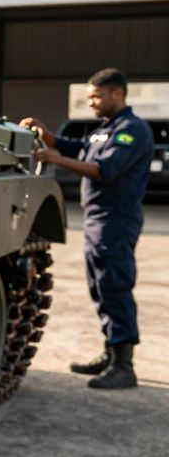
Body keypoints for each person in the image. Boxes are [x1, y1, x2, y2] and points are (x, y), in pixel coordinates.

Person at [22, 69, 150, 390]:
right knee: (101, 288)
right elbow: (77, 147)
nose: (91, 102)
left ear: (117, 94)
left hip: (116, 221)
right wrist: (47, 135)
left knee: (115, 286)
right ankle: (110, 353)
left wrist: (55, 159)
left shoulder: (131, 131)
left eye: (96, 96)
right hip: (98, 221)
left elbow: (103, 170)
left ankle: (124, 366)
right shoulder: (106, 130)